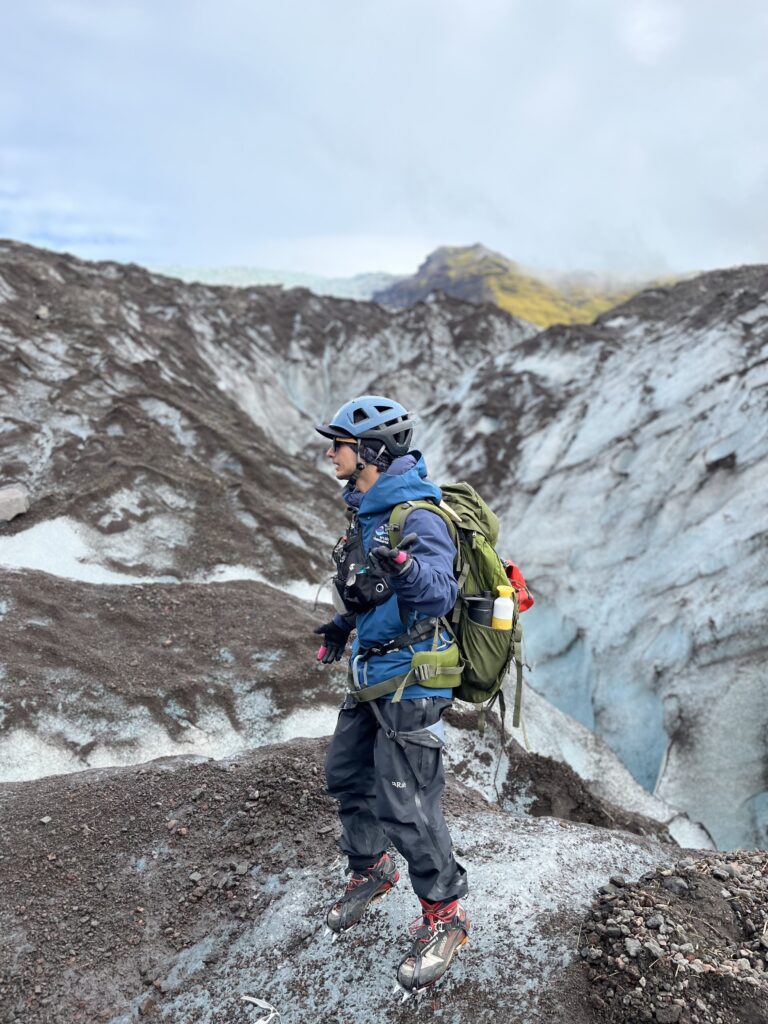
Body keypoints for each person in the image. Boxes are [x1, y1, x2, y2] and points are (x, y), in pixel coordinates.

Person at [314, 395, 469, 993]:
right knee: (347, 774)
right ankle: (372, 870)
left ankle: (446, 918)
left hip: (413, 677)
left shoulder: (417, 516)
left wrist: (405, 567)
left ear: (371, 453)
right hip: (374, 671)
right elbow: (371, 592)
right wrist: (343, 627)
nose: (331, 454)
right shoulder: (367, 512)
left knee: (406, 799)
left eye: (340, 445)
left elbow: (436, 595)